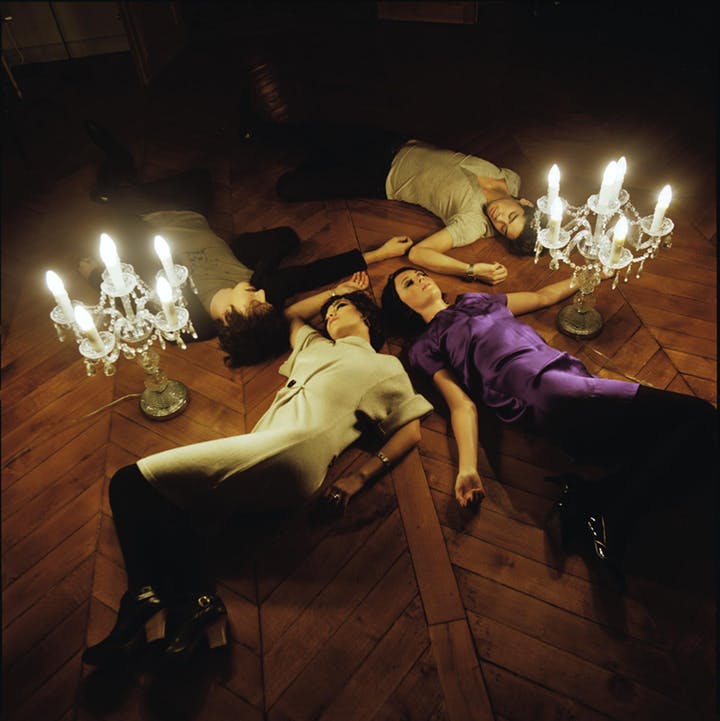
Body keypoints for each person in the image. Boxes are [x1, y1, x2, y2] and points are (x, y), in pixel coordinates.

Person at [82, 274, 434, 668]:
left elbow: (410, 430)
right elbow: (290, 314)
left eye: (341, 308)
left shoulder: (384, 366)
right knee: (180, 512)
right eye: (328, 313)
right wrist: (336, 292)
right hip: (272, 451)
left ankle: (141, 598)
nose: (331, 315)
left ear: (367, 317)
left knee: (128, 482)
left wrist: (358, 479)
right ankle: (200, 606)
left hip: (296, 445)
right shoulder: (315, 345)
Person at [381, 266, 718, 577]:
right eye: (408, 282)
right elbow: (461, 404)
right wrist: (467, 467)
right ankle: (601, 506)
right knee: (701, 416)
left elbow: (543, 297)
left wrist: (592, 274)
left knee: (689, 444)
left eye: (420, 274)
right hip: (542, 392)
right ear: (402, 306)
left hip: (569, 376)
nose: (420, 279)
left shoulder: (476, 300)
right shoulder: (424, 345)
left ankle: (593, 502)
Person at [81, 120, 413, 366]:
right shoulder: (258, 286)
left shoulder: (187, 319)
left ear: (230, 319)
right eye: (265, 301)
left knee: (119, 191)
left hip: (141, 219)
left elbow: (130, 297)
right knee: (201, 178)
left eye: (255, 304)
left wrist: (95, 276)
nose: (262, 295)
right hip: (191, 212)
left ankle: (115, 171)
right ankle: (125, 189)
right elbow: (312, 274)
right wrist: (380, 253)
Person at [261, 121, 537, 282]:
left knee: (289, 187)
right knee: (310, 134)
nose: (499, 219)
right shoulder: (511, 179)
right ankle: (258, 130)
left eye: (503, 229)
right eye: (511, 216)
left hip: (379, 176)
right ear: (524, 202)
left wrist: (471, 270)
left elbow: (419, 253)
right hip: (396, 143)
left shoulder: (473, 225)